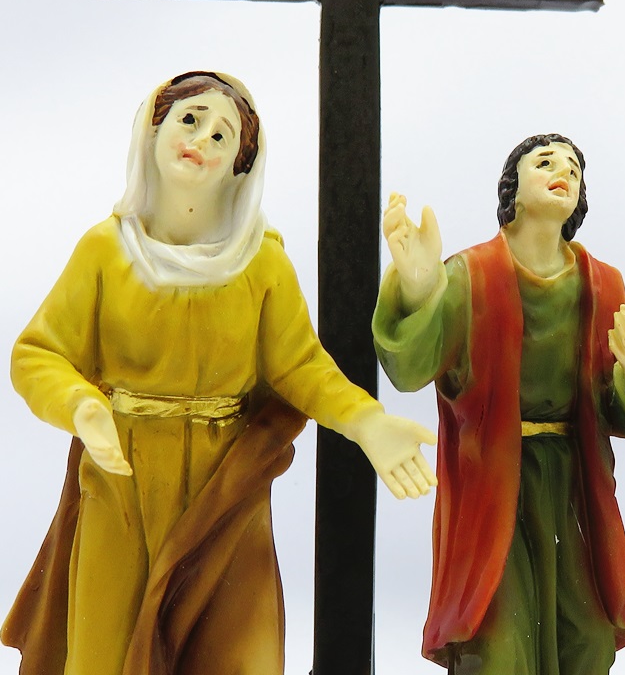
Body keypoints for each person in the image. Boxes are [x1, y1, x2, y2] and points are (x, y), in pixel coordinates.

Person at [2, 72, 437, 675]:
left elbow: (301, 366)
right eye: (190, 119)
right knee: (108, 644)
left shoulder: (260, 264)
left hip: (224, 489)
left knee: (231, 644)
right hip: (122, 481)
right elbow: (37, 353)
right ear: (154, 128)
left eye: (222, 135)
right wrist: (80, 405)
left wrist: (368, 423)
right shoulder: (105, 250)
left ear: (240, 164)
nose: (202, 139)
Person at [372, 134, 625, 674]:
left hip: (574, 485)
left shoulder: (603, 284)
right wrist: (419, 289)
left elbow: (611, 406)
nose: (564, 172)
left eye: (575, 169)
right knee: (498, 640)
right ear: (512, 187)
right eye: (545, 162)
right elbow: (411, 368)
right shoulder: (469, 275)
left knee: (587, 637)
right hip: (494, 483)